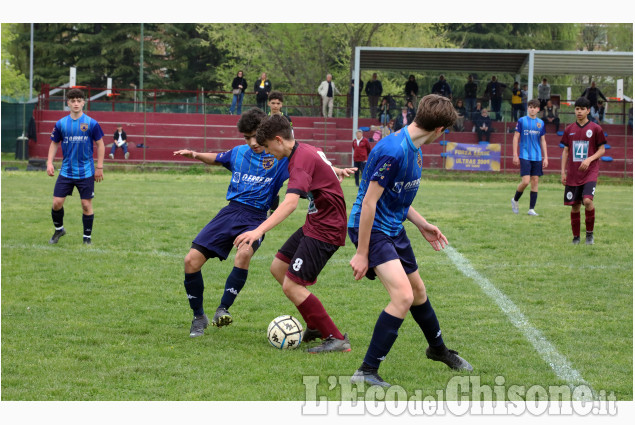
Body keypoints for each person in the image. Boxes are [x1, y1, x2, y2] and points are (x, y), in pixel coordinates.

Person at [348, 94, 472, 387]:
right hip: (372, 227)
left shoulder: (414, 148)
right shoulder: (393, 150)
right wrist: (362, 253)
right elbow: (369, 203)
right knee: (402, 296)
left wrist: (422, 224)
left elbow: (396, 199)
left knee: (417, 291)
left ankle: (437, 349)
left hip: (393, 225)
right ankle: (366, 371)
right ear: (440, 130)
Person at [234, 114, 356, 354]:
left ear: (278, 140)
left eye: (268, 147)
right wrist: (334, 172)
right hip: (316, 222)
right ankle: (314, 325)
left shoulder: (299, 161)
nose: (269, 153)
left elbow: (290, 204)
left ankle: (336, 338)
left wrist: (258, 230)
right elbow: (321, 162)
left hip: (326, 228)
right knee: (278, 267)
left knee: (292, 286)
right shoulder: (306, 150)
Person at [173, 108, 290, 337]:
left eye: (256, 135)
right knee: (191, 261)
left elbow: (310, 162)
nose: (253, 142)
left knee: (244, 253)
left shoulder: (278, 157)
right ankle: (199, 317)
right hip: (230, 212)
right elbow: (217, 159)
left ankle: (222, 309)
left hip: (256, 217)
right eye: (247, 137)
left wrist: (334, 170)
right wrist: (195, 155)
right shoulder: (238, 153)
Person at [46, 88, 105, 245]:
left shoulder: (92, 123)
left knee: (86, 205)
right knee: (57, 203)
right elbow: (54, 144)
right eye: (73, 101)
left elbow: (101, 145)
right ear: (68, 103)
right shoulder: (61, 124)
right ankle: (59, 229)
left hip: (85, 171)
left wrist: (99, 167)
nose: (76, 103)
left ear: (83, 102)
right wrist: (49, 162)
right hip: (66, 171)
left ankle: (87, 238)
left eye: (79, 100)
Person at [560, 97, 606, 245]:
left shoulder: (595, 128)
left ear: (588, 110)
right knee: (575, 205)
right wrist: (562, 172)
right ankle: (576, 238)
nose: (579, 112)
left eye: (582, 109)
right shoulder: (569, 129)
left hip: (590, 172)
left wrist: (589, 159)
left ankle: (589, 235)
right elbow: (566, 151)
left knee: (587, 201)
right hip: (573, 173)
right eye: (577, 109)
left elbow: (602, 149)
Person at [511, 99, 549, 217]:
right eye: (530, 107)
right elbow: (516, 137)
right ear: (528, 108)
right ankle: (515, 199)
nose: (532, 109)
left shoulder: (541, 123)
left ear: (538, 109)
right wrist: (515, 154)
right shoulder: (522, 121)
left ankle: (531, 209)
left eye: (534, 107)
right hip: (525, 155)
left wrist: (546, 157)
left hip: (537, 157)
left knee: (535, 181)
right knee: (526, 181)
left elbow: (543, 140)